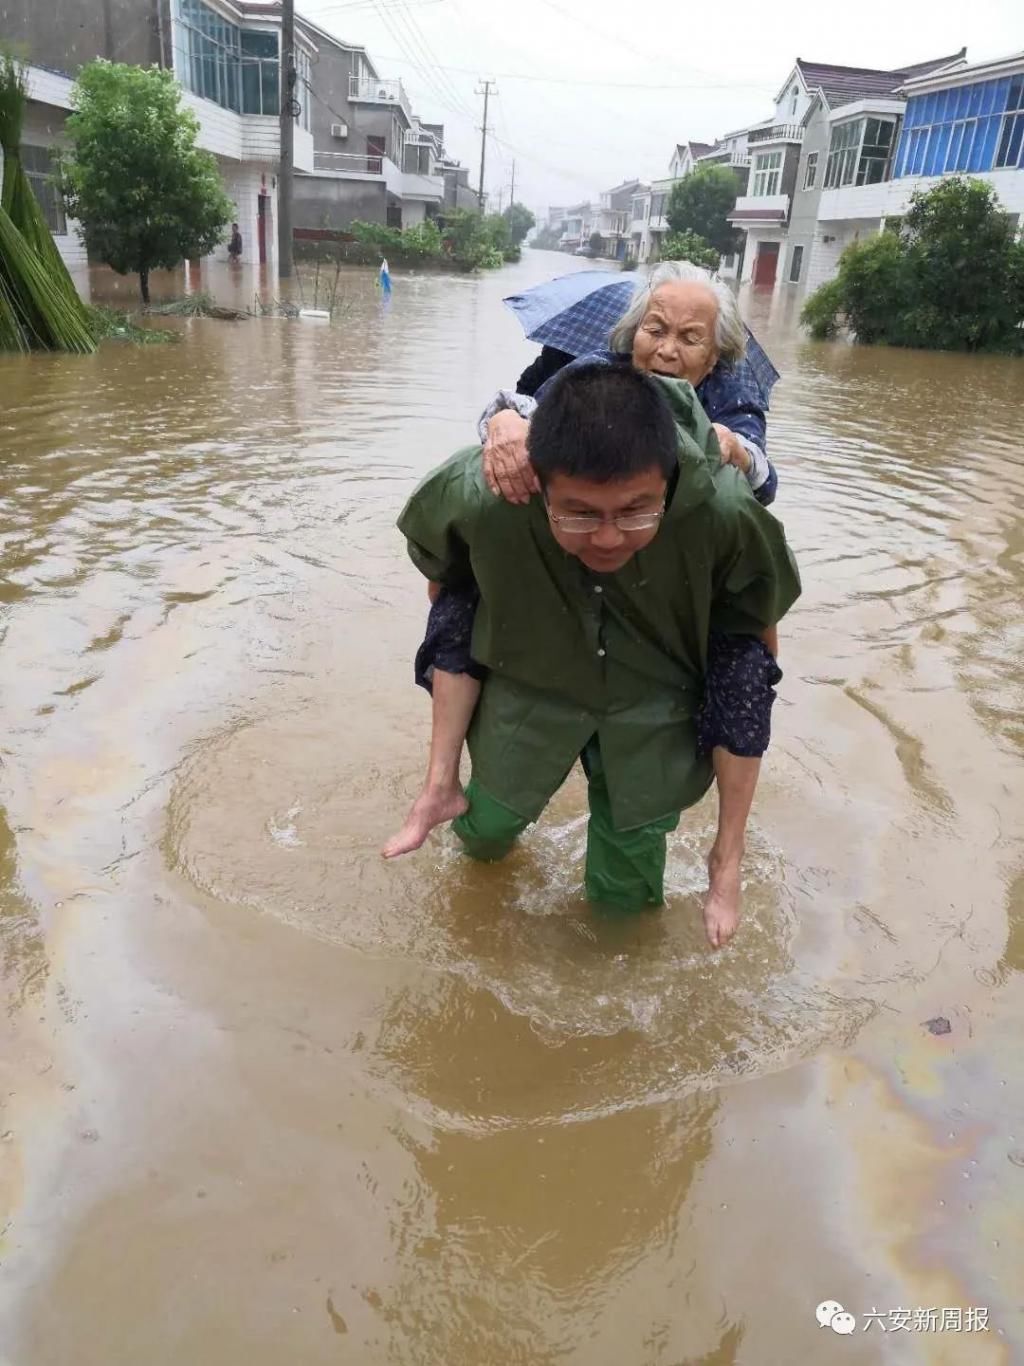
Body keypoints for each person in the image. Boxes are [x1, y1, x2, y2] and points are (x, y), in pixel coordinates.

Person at [383, 262, 784, 872]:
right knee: (485, 821)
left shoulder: (722, 480)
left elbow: (757, 583)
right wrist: (504, 424)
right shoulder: (582, 386)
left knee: (631, 857)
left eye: (690, 338)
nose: (668, 350)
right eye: (655, 329)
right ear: (632, 334)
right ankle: (440, 784)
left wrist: (731, 452)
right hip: (543, 653)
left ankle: (726, 855)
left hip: (657, 664)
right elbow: (509, 422)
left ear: (715, 357)